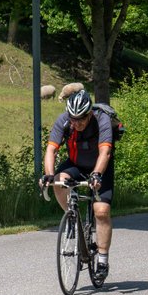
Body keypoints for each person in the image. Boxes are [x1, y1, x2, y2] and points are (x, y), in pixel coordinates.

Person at [39, 88, 117, 281]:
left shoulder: (101, 120)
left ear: (89, 113)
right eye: (73, 119)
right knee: (58, 181)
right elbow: (51, 150)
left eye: (81, 118)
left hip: (100, 166)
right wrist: (48, 175)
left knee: (101, 211)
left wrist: (97, 174)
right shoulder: (63, 121)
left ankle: (103, 261)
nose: (76, 123)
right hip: (75, 164)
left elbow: (105, 152)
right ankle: (72, 218)